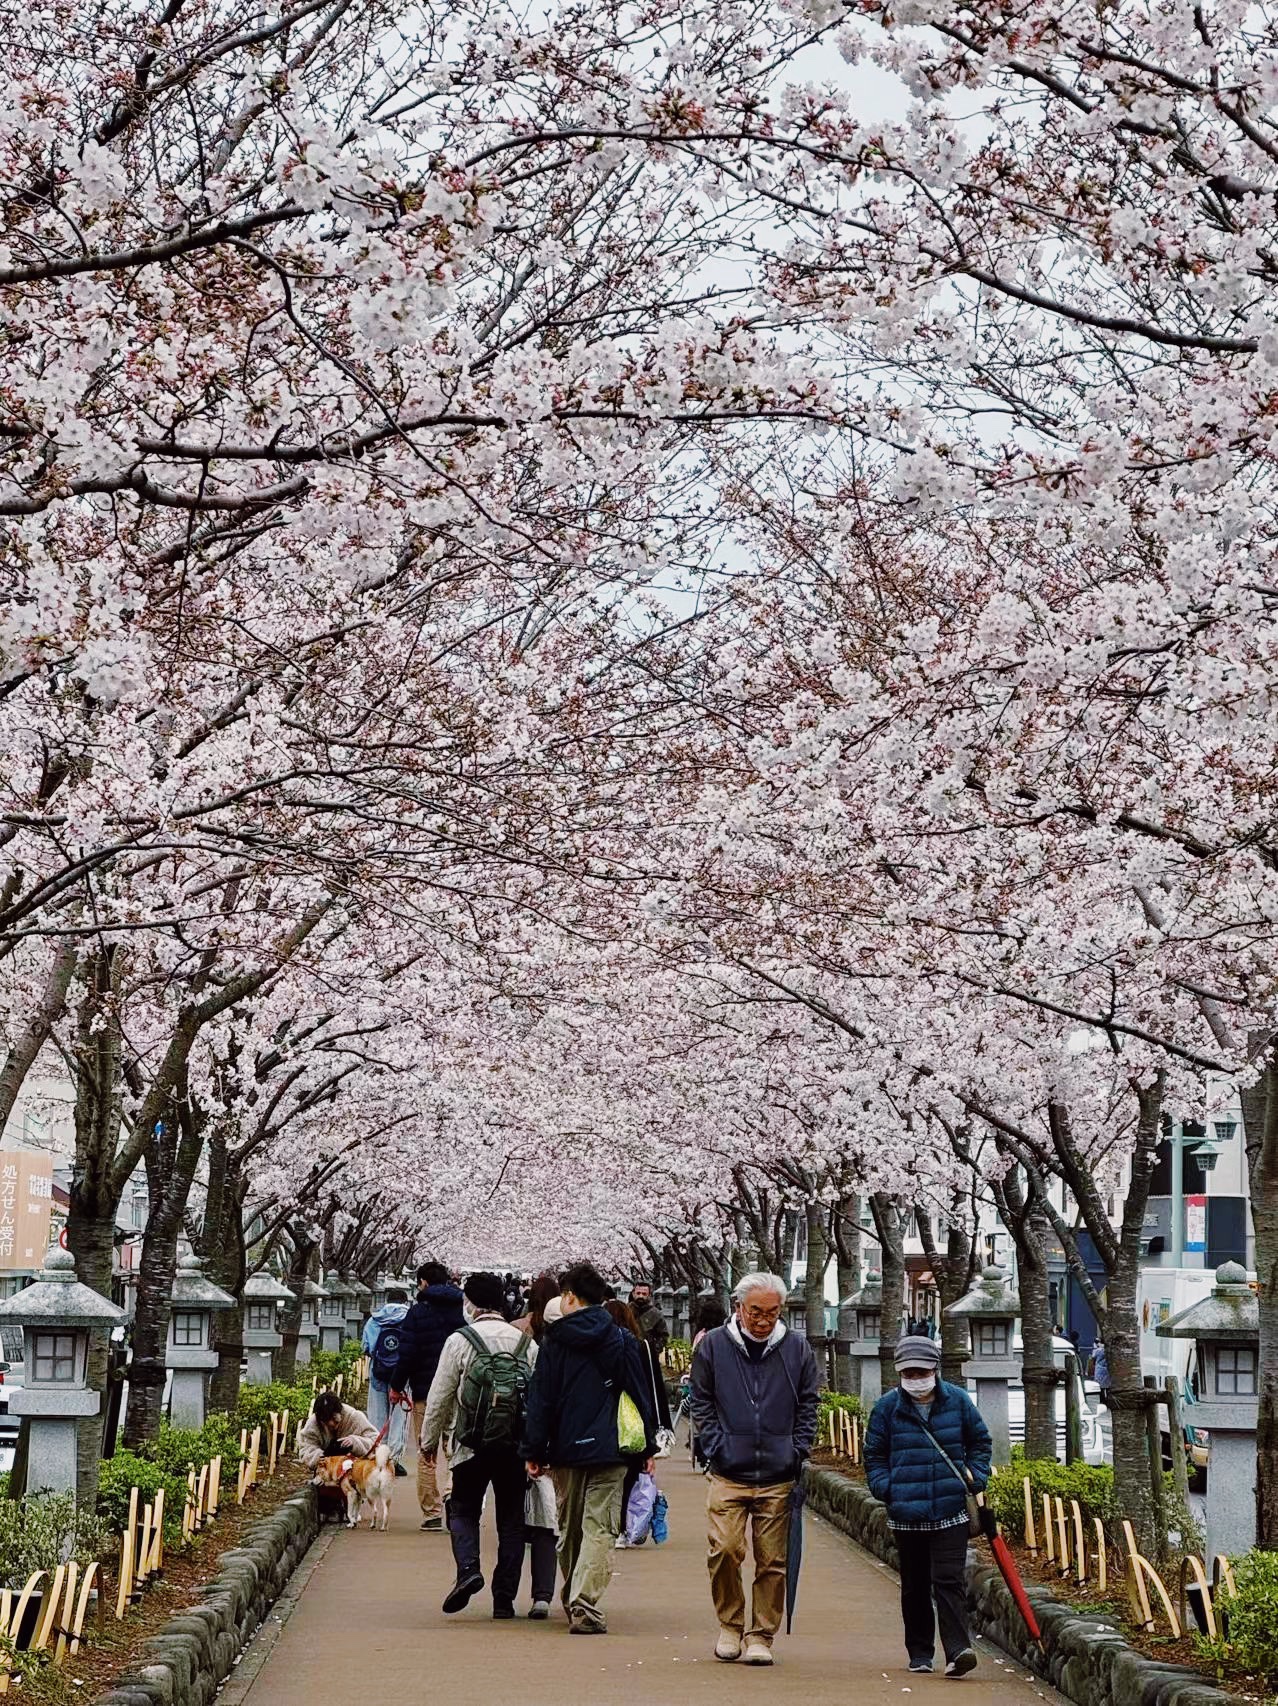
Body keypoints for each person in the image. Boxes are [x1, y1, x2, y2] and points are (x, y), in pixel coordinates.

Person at [689, 1271, 819, 1668]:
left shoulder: (797, 1349)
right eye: (756, 1312)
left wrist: (797, 1450)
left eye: (773, 1312)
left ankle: (761, 1634)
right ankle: (730, 1625)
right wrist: (714, 1447)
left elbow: (810, 1404)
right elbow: (701, 1400)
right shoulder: (713, 1347)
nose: (763, 1321)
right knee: (725, 1550)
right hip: (729, 1471)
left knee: (772, 1560)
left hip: (778, 1473)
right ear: (739, 1308)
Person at [521, 1260, 656, 1634]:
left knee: (571, 1527)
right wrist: (646, 1448)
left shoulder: (553, 1343)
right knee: (601, 1526)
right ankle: (584, 1600)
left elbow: (541, 1400)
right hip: (612, 1448)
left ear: (568, 1298)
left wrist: (534, 1450)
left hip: (567, 1449)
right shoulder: (622, 1339)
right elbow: (639, 1394)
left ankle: (575, 1598)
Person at [864, 1334, 993, 1679]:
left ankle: (958, 1650)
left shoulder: (959, 1402)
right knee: (915, 1583)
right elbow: (874, 1456)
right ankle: (920, 1652)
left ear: (935, 1368)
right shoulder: (886, 1408)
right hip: (906, 1511)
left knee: (948, 1579)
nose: (916, 1379)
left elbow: (980, 1442)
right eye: (909, 1373)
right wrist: (885, 1488)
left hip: (950, 1505)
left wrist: (976, 1477)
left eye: (921, 1371)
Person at [421, 1271, 537, 1619]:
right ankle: (504, 1599)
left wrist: (428, 1440)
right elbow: (539, 1397)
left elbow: (440, 1395)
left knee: (464, 1510)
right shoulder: (525, 1344)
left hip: (470, 1444)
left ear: (468, 1303)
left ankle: (468, 1570)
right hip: (514, 1447)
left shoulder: (460, 1340)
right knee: (512, 1522)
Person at [390, 1261, 466, 1530]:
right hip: (459, 1390)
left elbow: (407, 1353)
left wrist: (397, 1386)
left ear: (422, 1282)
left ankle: (432, 1512)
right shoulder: (462, 1311)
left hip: (425, 1392)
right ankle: (452, 1494)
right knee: (456, 1449)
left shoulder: (418, 1313)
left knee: (427, 1451)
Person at [604, 1297, 673, 1545]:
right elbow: (652, 1389)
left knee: (610, 1480)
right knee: (632, 1477)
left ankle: (614, 1527)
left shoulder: (600, 1347)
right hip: (634, 1422)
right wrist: (654, 1427)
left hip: (607, 1420)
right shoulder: (640, 1346)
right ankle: (625, 1527)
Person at [362, 1285, 410, 1473]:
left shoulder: (374, 1320)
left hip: (378, 1372)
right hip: (402, 1374)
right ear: (405, 1301)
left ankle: (376, 1456)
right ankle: (393, 1460)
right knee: (398, 1417)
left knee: (377, 1415)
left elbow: (366, 1347)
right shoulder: (410, 1318)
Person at [298, 1390, 378, 1468]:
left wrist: (355, 1442)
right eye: (327, 1422)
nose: (332, 1424)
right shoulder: (313, 1423)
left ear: (341, 1412)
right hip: (326, 1472)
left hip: (355, 1469)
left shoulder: (354, 1417)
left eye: (335, 1420)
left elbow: (376, 1441)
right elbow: (305, 1449)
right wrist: (322, 1457)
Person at [628, 1281, 669, 1361]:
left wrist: (654, 1350)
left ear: (649, 1295)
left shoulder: (656, 1314)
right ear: (633, 1294)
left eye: (644, 1294)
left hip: (648, 1357)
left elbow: (663, 1336)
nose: (640, 1296)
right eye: (638, 1293)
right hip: (628, 1355)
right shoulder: (626, 1310)